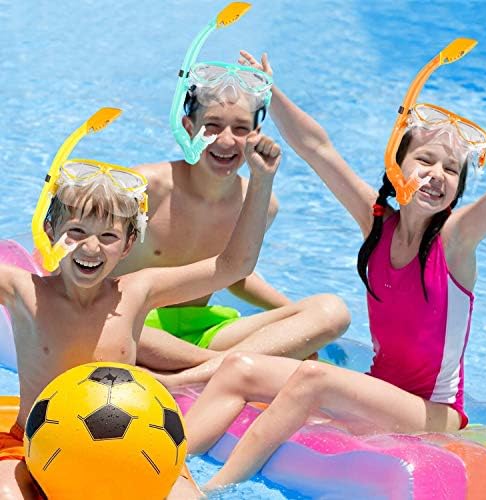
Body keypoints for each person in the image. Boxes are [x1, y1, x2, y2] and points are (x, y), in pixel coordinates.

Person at [182, 45, 486, 491]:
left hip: (434, 412)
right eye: (425, 160)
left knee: (313, 377)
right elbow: (317, 149)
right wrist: (272, 92)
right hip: (378, 391)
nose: (437, 175)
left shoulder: (455, 242)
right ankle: (170, 464)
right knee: (240, 368)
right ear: (397, 164)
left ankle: (213, 489)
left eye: (451, 170)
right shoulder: (378, 225)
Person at [0, 107, 281, 498]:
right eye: (76, 231)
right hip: (34, 445)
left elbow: (233, 266)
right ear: (50, 231)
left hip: (129, 451)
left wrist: (262, 180)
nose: (91, 248)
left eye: (108, 237)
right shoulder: (23, 291)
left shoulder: (135, 292)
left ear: (129, 244)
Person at [115, 18, 350, 386]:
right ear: (188, 127)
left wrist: (294, 317)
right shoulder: (144, 187)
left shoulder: (260, 200)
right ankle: (218, 368)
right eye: (212, 125)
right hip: (135, 325)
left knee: (331, 311)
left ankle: (197, 372)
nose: (226, 141)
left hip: (204, 331)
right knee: (109, 319)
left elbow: (235, 273)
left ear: (256, 134)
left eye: (240, 129)